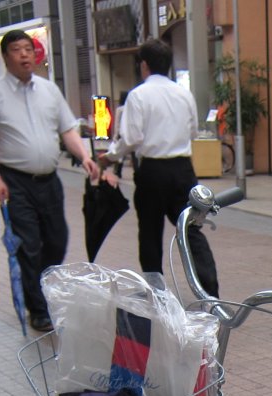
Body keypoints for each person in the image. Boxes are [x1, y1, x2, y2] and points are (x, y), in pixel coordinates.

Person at [0, 29, 99, 333]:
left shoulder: (49, 90)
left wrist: (84, 156)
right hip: (15, 181)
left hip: (49, 180)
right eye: (17, 50)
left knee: (57, 239)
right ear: (6, 57)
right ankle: (39, 309)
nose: (25, 55)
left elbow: (67, 129)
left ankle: (44, 292)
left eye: (28, 49)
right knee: (28, 245)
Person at [103, 40, 219, 296]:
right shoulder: (183, 94)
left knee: (150, 233)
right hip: (182, 171)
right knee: (191, 230)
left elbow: (131, 139)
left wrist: (110, 157)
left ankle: (156, 293)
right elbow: (192, 131)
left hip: (152, 172)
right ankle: (210, 291)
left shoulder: (138, 95)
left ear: (144, 65)